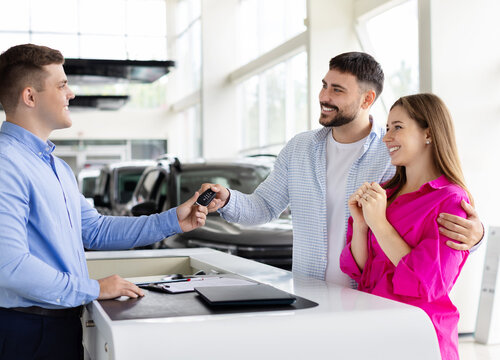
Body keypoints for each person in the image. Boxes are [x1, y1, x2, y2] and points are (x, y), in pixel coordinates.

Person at [0, 44, 208, 360]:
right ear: (30, 97)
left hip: (58, 328)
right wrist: (95, 288)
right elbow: (11, 268)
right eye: (62, 85)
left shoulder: (56, 167)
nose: (72, 93)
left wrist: (173, 220)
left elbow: (94, 230)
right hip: (20, 335)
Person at [201, 52, 483, 285]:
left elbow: (426, 210)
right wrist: (227, 199)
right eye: (324, 85)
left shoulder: (393, 154)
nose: (324, 96)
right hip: (307, 293)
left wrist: (476, 236)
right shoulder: (298, 148)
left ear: (367, 99)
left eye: (337, 90)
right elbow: (263, 206)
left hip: (368, 298)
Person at [340, 93, 471, 359]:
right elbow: (363, 273)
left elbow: (428, 283)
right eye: (387, 128)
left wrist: (379, 224)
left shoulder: (451, 201)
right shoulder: (385, 194)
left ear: (429, 134)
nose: (387, 137)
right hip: (374, 334)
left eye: (398, 127)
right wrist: (363, 225)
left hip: (419, 338)